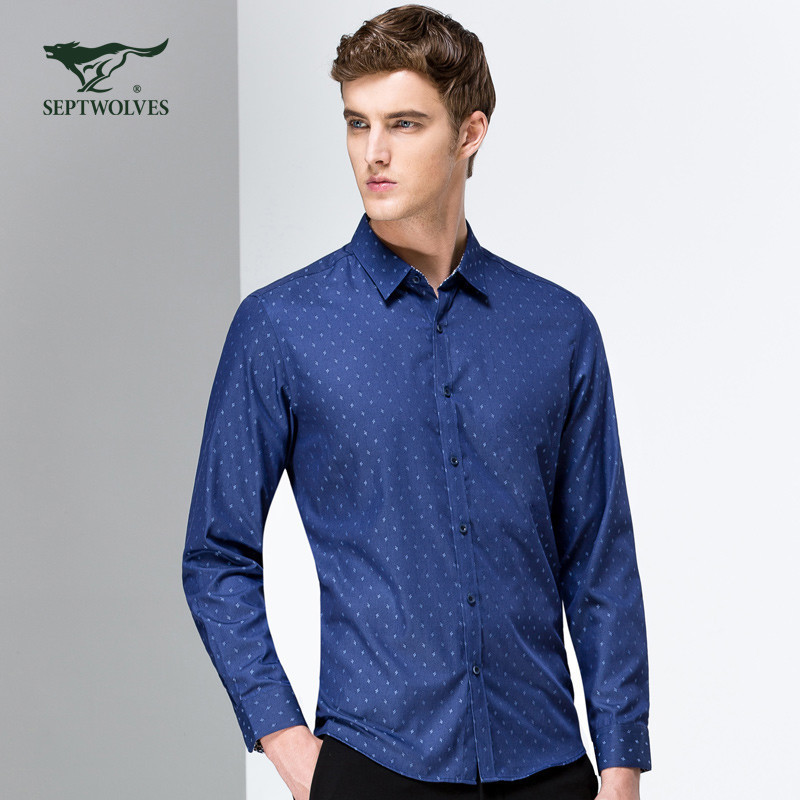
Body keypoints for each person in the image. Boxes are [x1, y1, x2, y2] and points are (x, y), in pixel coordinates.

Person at [182, 5, 651, 800]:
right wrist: (293, 751)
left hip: (548, 766)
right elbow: (216, 556)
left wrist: (621, 767)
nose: (374, 152)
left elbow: (599, 561)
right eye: (356, 123)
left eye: (403, 123)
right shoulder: (282, 327)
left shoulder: (557, 328)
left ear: (470, 133)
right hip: (375, 765)